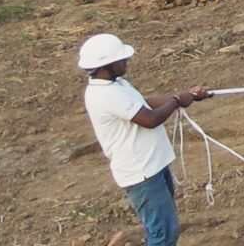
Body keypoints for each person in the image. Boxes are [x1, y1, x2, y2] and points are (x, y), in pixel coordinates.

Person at [80, 33, 209, 246]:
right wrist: (178, 100)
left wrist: (189, 95)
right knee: (163, 233)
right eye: (121, 60)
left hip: (152, 167)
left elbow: (144, 103)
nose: (126, 62)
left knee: (167, 229)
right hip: (142, 174)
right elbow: (149, 119)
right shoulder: (105, 94)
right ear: (106, 66)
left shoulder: (116, 85)